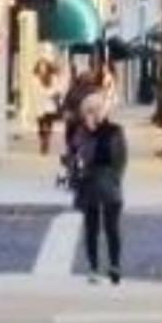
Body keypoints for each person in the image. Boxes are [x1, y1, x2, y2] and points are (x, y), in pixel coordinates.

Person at [66, 88, 127, 284]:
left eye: (96, 110)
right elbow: (76, 156)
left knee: (111, 227)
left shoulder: (115, 131)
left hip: (107, 179)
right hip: (90, 181)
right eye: (89, 111)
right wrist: (87, 135)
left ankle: (114, 265)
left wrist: (117, 177)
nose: (92, 114)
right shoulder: (81, 132)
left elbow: (121, 158)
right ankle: (94, 267)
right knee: (92, 227)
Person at [32, 57, 62, 157]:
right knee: (40, 126)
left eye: (44, 66)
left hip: (50, 106)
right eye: (40, 66)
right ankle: (43, 139)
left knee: (48, 124)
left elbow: (57, 89)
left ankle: (46, 141)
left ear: (47, 67)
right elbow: (36, 91)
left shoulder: (53, 77)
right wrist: (49, 93)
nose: (42, 68)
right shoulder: (35, 78)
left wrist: (50, 93)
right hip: (40, 105)